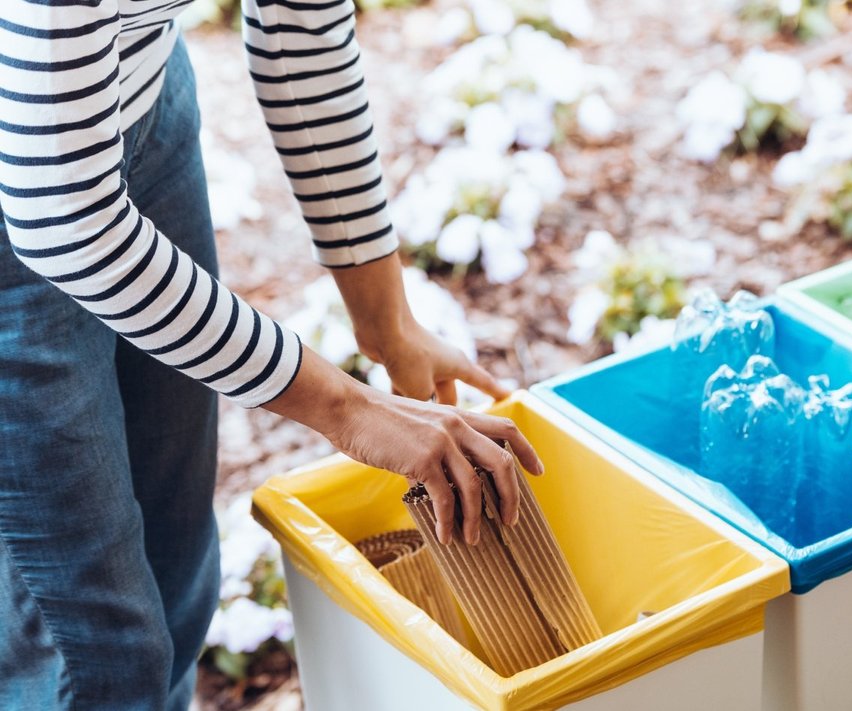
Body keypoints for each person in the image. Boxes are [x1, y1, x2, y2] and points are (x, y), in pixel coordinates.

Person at [0, 1, 542, 708]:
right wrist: (349, 409)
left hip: (140, 93)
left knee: (177, 576)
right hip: (39, 189)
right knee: (95, 650)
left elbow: (301, 29)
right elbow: (63, 219)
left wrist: (387, 323)